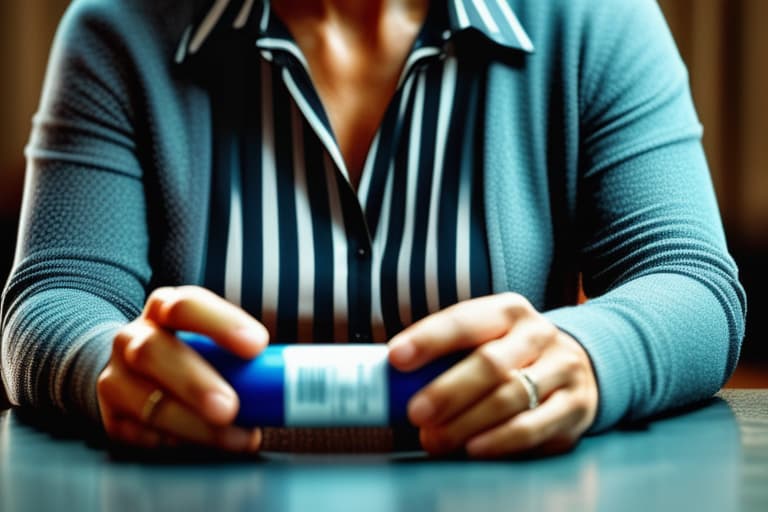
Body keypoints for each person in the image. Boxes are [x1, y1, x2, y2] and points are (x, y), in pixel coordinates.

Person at [0, 0, 746, 458]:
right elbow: (55, 299)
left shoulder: (597, 19)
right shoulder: (115, 30)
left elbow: (695, 286)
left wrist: (587, 355)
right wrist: (111, 368)